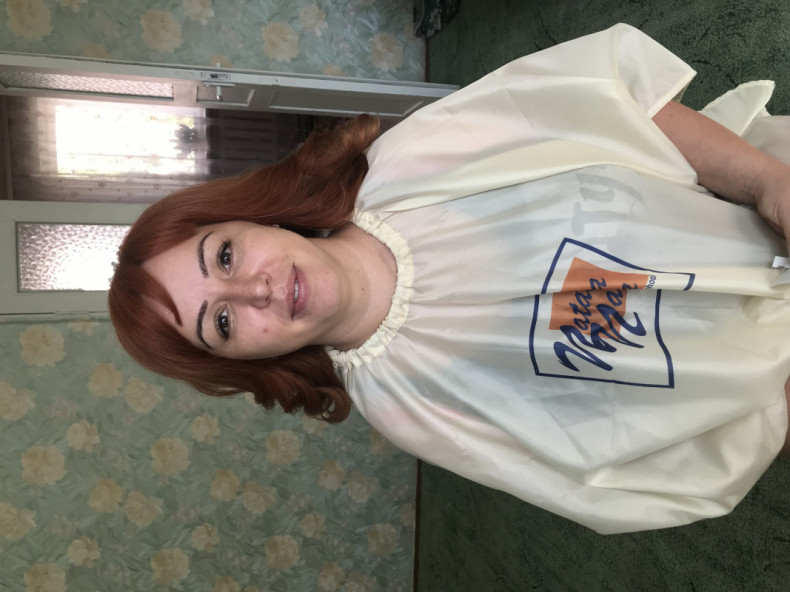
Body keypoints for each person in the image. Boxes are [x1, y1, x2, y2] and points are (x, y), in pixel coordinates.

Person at [110, 24, 790, 534]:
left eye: (225, 257)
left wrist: (766, 184)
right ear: (247, 360)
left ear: (252, 217)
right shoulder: (404, 408)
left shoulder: (412, 160)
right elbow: (616, 462)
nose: (253, 291)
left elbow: (621, 106)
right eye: (221, 322)